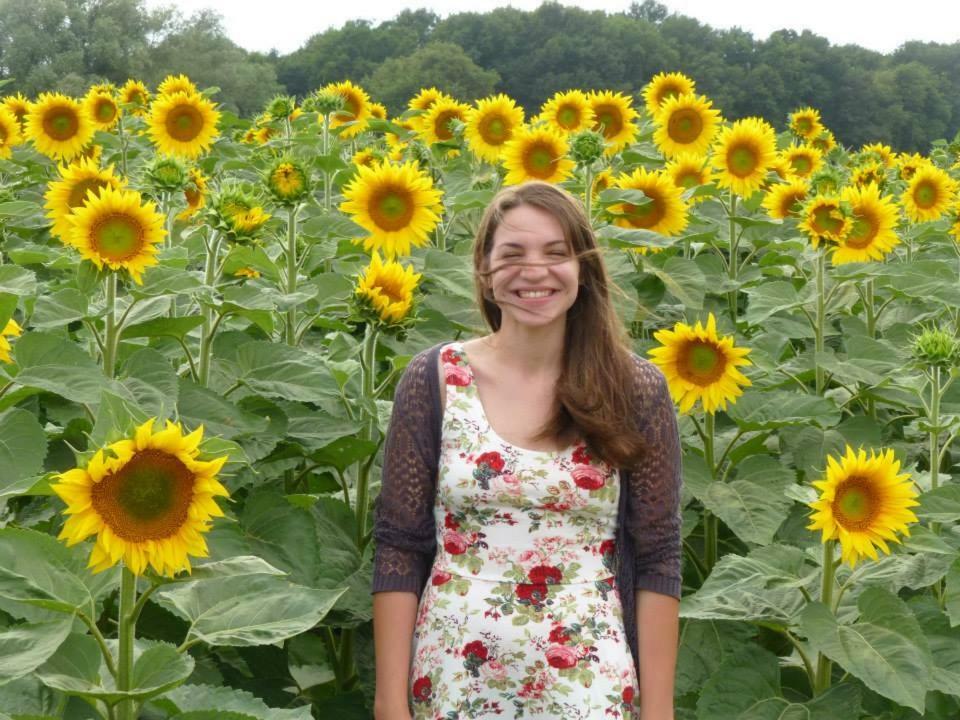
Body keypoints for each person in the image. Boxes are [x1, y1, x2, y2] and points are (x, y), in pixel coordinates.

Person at [371, 180, 682, 720]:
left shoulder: (634, 390)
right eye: (511, 255)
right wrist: (389, 703)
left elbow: (658, 557)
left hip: (588, 687)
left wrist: (659, 713)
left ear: (582, 269)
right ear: (486, 274)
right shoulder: (436, 379)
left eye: (556, 253)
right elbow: (400, 544)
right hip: (453, 678)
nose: (533, 271)